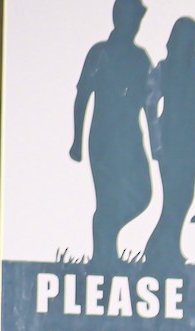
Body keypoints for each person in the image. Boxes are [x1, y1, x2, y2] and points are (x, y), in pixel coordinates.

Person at [70, 0, 153, 261]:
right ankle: (103, 257)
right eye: (131, 18)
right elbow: (82, 95)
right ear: (119, 17)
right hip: (104, 137)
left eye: (137, 19)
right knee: (107, 198)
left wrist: (156, 141)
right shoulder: (99, 53)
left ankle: (106, 245)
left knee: (142, 194)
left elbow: (148, 103)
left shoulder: (140, 57)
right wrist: (76, 141)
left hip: (130, 136)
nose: (134, 25)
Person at [144, 18, 195, 263]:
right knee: (173, 197)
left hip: (189, 138)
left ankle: (167, 247)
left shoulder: (194, 71)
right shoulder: (163, 69)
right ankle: (157, 248)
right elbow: (150, 106)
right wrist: (156, 142)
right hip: (169, 137)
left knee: (185, 195)